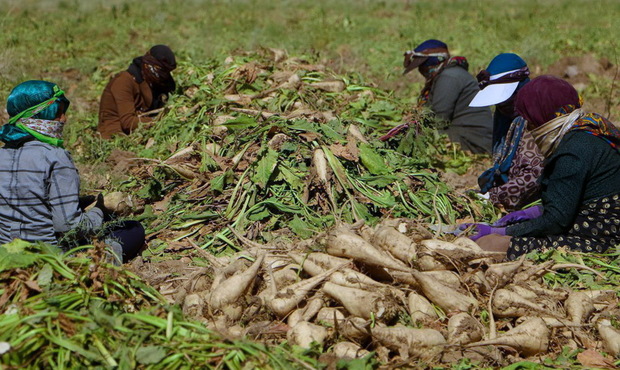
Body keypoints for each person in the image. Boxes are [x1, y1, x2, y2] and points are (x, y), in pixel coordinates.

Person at [464, 75, 620, 260]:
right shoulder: (588, 128)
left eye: (530, 122)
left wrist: (504, 230)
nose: (529, 129)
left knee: (490, 245)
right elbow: (567, 197)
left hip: (599, 235)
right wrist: (530, 213)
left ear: (544, 116)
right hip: (594, 222)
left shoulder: (573, 152)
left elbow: (556, 221)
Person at [0, 80, 145, 264]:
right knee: (132, 229)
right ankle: (95, 265)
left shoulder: (2, 154)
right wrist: (100, 211)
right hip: (48, 257)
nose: (64, 119)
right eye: (58, 113)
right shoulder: (55, 157)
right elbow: (68, 226)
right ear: (42, 114)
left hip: (6, 255)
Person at [469, 53, 544, 211]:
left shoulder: (536, 121)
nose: (502, 106)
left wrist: (495, 195)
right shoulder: (504, 116)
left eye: (507, 101)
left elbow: (535, 175)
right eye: (499, 103)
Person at [403, 39, 493, 153]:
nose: (421, 70)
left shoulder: (449, 77)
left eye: (423, 66)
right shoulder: (446, 75)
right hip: (464, 132)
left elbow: (439, 119)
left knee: (414, 140)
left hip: (473, 140)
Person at [98, 44, 177, 139]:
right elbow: (128, 122)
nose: (164, 76)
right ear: (148, 65)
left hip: (142, 130)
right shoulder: (124, 81)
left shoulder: (155, 81)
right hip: (115, 133)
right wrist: (159, 120)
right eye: (160, 71)